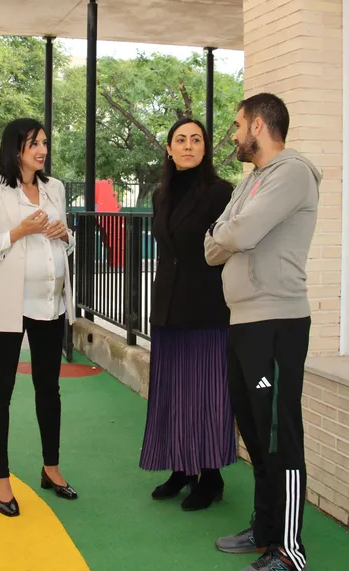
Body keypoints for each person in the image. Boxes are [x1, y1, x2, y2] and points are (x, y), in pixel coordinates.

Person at [204, 93, 321, 571]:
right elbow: (213, 241)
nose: (232, 135)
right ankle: (266, 528)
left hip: (277, 323)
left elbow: (239, 234)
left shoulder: (292, 172)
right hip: (245, 321)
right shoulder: (253, 181)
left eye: (237, 125)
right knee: (254, 432)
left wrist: (226, 234)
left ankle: (289, 551)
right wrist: (224, 234)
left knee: (279, 434)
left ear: (257, 124)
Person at [0, 117, 78, 518]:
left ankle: (51, 468)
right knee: (1, 390)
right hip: (8, 305)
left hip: (50, 303)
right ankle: (1, 478)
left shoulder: (55, 188)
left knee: (49, 389)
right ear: (15, 148)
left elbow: (67, 239)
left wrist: (66, 235)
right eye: (33, 143)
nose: (41, 150)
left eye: (44, 142)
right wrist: (17, 232)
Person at [139, 117, 236, 511]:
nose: (188, 146)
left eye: (196, 139)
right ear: (168, 148)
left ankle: (211, 476)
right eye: (181, 139)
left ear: (205, 148)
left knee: (208, 394)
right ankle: (182, 469)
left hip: (207, 306)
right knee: (174, 393)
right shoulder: (160, 195)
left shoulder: (221, 192)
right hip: (168, 306)